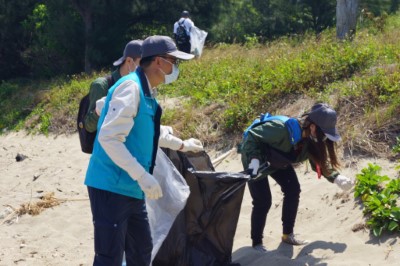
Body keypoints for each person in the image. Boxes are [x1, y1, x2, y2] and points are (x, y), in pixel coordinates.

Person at [84, 35, 199, 266]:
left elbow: (153, 136)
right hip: (111, 187)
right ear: (158, 61)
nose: (175, 68)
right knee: (110, 257)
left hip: (132, 189)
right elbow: (109, 137)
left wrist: (184, 145)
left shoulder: (148, 96)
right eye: (173, 61)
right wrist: (142, 175)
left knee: (141, 250)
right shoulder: (131, 88)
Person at [239, 103, 354, 252]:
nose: (325, 139)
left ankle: (288, 235)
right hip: (255, 160)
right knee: (263, 201)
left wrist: (337, 178)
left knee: (293, 190)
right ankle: (257, 243)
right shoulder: (281, 129)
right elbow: (252, 137)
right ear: (312, 127)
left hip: (278, 160)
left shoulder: (309, 141)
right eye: (324, 134)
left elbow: (318, 162)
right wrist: (254, 160)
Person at [84, 39, 143, 133]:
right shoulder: (101, 85)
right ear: (129, 61)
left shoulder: (138, 86)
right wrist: (99, 112)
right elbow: (89, 126)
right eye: (143, 63)